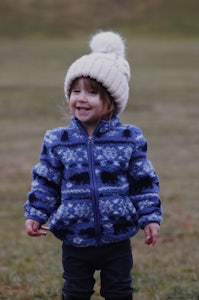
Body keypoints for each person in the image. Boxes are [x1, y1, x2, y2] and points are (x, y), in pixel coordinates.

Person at [24, 30, 162, 300]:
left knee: (119, 290)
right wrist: (37, 212)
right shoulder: (58, 140)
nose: (81, 98)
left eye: (92, 92)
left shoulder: (128, 138)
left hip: (117, 236)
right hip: (74, 235)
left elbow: (143, 181)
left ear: (111, 101)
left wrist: (150, 217)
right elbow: (46, 180)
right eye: (75, 91)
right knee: (75, 291)